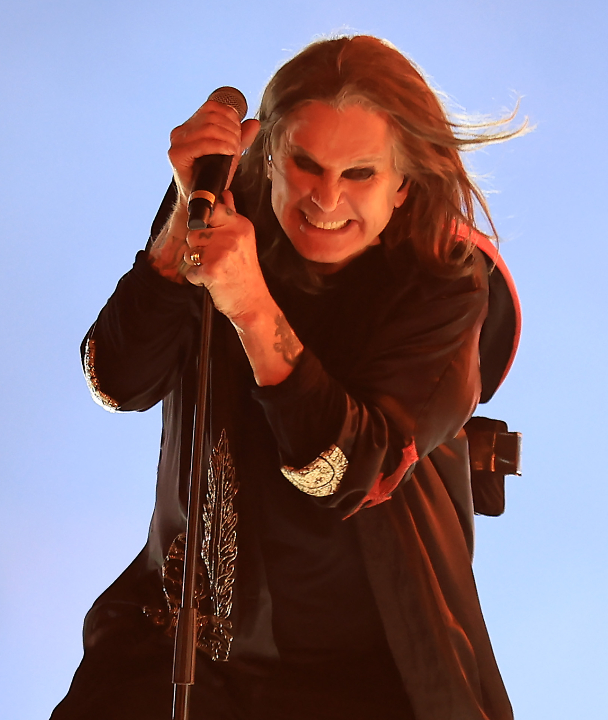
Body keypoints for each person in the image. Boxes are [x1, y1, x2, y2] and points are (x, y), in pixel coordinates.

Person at [54, 35, 525, 720]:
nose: (325, 199)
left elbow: (346, 471)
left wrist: (249, 307)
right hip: (180, 644)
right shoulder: (218, 201)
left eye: (359, 174)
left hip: (364, 676)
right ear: (270, 152)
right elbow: (117, 379)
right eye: (305, 164)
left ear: (403, 181)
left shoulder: (445, 283)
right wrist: (176, 242)